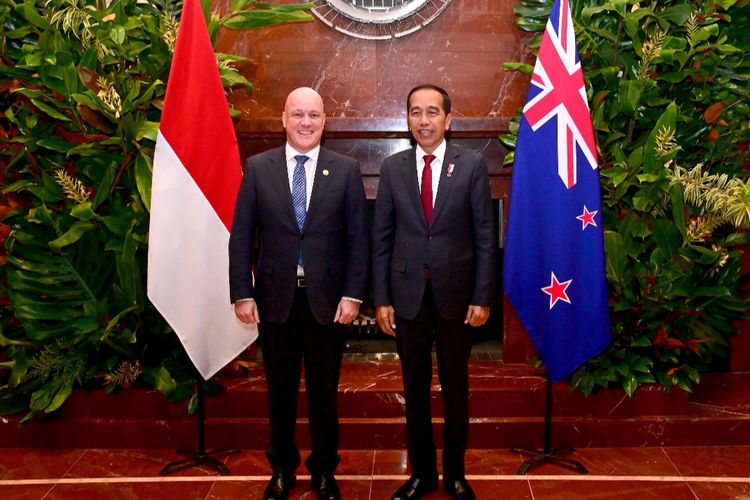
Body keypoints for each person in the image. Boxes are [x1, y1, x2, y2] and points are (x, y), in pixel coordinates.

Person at [229, 87, 369, 500]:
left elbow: (358, 240)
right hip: (275, 301)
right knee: (280, 394)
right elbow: (242, 237)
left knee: (324, 394)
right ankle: (282, 470)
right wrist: (242, 291)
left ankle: (324, 471)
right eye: (298, 115)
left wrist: (354, 294)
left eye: (314, 115)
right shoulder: (258, 168)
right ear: (283, 119)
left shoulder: (345, 170)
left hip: (328, 303)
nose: (306, 123)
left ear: (325, 121)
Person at [372, 84, 496, 500]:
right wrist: (382, 297)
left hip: (457, 298)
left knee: (456, 386)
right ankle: (422, 475)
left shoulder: (472, 166)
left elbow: (484, 236)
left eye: (431, 112)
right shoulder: (393, 169)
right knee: (415, 387)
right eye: (415, 112)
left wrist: (482, 296)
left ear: (448, 118)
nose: (423, 121)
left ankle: (456, 474)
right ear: (407, 119)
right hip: (407, 297)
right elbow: (382, 239)